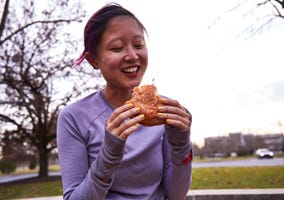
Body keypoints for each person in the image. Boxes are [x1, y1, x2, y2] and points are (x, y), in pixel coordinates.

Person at [57, 3, 192, 200]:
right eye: (117, 48)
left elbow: (176, 195)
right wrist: (109, 155)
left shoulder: (166, 112)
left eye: (138, 45)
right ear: (93, 60)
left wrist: (182, 146)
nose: (132, 55)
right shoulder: (74, 117)